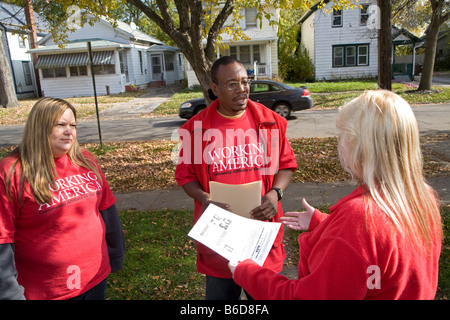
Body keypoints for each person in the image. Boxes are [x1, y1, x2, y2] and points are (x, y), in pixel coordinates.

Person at [229, 90, 443, 300]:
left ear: (361, 147)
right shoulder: (423, 197)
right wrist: (325, 223)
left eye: (343, 135)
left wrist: (246, 271)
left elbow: (305, 297)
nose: (339, 143)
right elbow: (382, 245)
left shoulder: (359, 218)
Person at [175, 56, 297, 299]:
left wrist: (275, 193)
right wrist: (204, 198)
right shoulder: (196, 129)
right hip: (220, 239)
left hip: (262, 234)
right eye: (231, 84)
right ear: (214, 88)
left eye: (245, 81)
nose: (242, 89)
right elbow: (185, 176)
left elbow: (286, 165)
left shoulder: (269, 122)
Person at [0, 97, 125, 300]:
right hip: (47, 291)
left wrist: (115, 254)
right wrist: (9, 293)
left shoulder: (86, 160)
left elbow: (107, 210)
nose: (70, 131)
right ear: (40, 127)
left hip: (95, 277)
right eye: (61, 125)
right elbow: (2, 238)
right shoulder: (11, 172)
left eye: (73, 125)